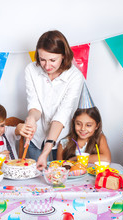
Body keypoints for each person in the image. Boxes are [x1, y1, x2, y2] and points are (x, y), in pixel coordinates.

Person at [24, 30, 85, 170]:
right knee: (34, 182)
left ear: (63, 56)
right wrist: (32, 118)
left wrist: (46, 151)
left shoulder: (75, 76)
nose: (46, 66)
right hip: (36, 137)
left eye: (52, 60)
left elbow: (62, 113)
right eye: (42, 59)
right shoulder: (31, 70)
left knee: (59, 180)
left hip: (61, 140)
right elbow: (34, 104)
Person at [57, 83, 111, 163]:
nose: (83, 128)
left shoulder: (99, 139)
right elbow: (59, 168)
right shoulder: (64, 143)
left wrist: (75, 159)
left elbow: (106, 159)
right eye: (78, 124)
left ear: (97, 126)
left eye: (88, 125)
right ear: (73, 122)